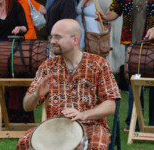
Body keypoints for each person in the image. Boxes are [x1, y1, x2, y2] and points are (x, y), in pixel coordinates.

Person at [16, 19, 121, 150]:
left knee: (96, 147)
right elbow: (27, 106)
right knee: (24, 142)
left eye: (57, 37)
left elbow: (110, 105)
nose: (52, 41)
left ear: (75, 40)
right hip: (55, 128)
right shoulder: (48, 66)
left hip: (91, 126)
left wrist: (84, 114)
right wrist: (36, 95)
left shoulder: (98, 63)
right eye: (52, 36)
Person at [96, 0, 154, 132]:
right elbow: (115, 10)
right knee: (134, 82)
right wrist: (105, 17)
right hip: (132, 44)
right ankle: (134, 124)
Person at [0, 0, 34, 123]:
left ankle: (18, 118)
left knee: (17, 85)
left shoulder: (16, 6)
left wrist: (19, 28)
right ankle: (1, 118)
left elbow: (25, 27)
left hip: (16, 53)